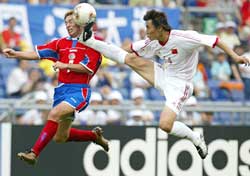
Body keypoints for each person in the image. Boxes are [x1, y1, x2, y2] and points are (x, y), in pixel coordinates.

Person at [79, 9, 250, 159]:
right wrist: (100, 48)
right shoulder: (152, 41)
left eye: (148, 28)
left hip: (181, 85)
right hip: (163, 75)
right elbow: (125, 50)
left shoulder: (184, 37)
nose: (145, 31)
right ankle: (90, 40)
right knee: (130, 59)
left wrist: (234, 56)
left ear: (160, 28)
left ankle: (195, 137)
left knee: (165, 125)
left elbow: (215, 40)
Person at [2, 10, 109, 166]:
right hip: (61, 91)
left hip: (79, 90)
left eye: (71, 21)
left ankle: (33, 153)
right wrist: (16, 54)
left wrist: (65, 64)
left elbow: (88, 68)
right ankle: (94, 137)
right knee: (60, 137)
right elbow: (38, 54)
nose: (68, 25)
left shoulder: (92, 44)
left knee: (54, 113)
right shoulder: (60, 43)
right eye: (66, 22)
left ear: (81, 22)